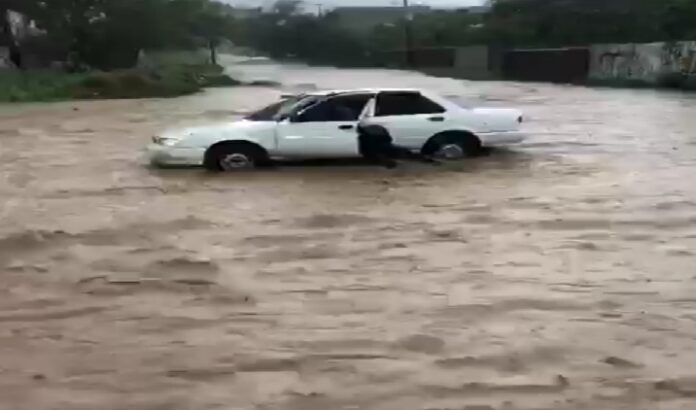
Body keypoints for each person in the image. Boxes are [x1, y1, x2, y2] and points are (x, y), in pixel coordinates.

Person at [356, 98, 439, 168]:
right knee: (398, 152)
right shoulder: (373, 121)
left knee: (394, 152)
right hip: (380, 140)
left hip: (378, 141)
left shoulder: (371, 121)